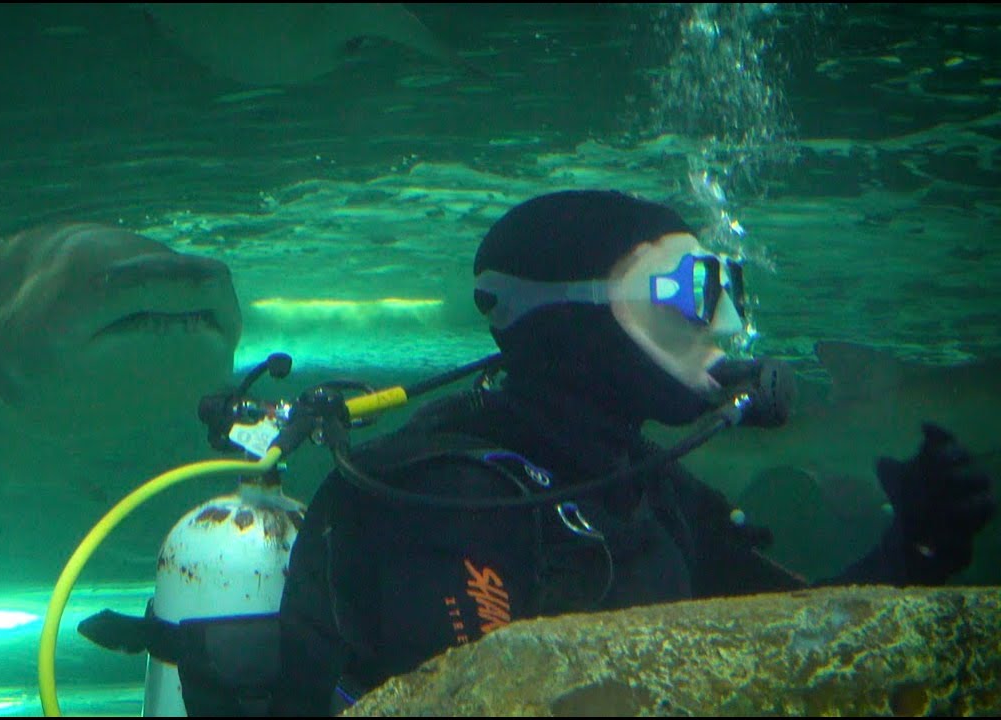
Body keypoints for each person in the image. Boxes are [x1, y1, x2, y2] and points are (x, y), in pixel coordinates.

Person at [268, 189, 996, 716]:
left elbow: (784, 644)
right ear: (576, 318)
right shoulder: (457, 503)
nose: (729, 329)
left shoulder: (646, 489)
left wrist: (911, 557)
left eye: (727, 291)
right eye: (690, 293)